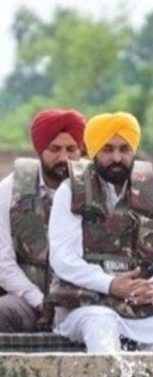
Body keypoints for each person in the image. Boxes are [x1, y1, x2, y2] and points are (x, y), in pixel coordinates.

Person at [46, 112, 153, 353]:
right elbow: (63, 258)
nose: (117, 157)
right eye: (108, 149)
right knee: (101, 323)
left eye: (124, 149)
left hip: (144, 305)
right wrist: (111, 285)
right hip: (84, 304)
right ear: (93, 152)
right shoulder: (70, 189)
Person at [0, 108, 86, 333]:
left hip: (86, 301)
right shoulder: (9, 191)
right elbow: (3, 262)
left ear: (81, 150)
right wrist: (39, 301)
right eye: (54, 149)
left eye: (71, 149)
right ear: (39, 150)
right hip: (28, 299)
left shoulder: (96, 190)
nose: (64, 157)